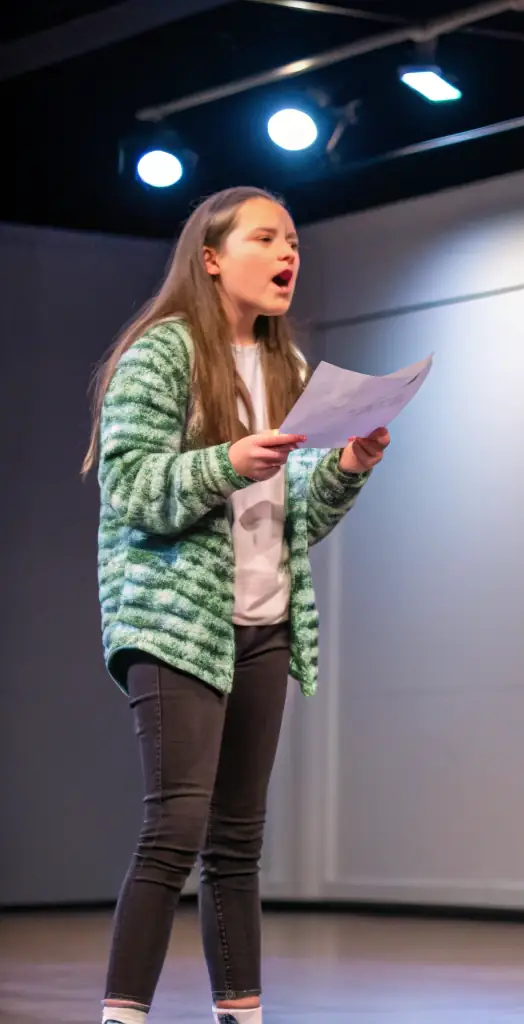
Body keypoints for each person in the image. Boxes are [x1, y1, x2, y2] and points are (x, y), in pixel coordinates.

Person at [85, 186, 389, 1024]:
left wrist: (348, 468)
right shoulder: (162, 353)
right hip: (175, 622)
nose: (289, 253)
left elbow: (296, 519)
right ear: (212, 257)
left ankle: (242, 1015)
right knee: (174, 828)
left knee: (237, 842)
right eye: (267, 238)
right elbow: (131, 486)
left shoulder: (289, 370)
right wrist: (227, 461)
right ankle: (122, 1018)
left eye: (294, 239)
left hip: (266, 621)